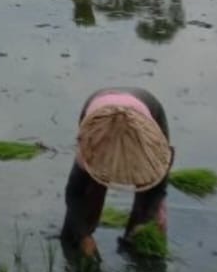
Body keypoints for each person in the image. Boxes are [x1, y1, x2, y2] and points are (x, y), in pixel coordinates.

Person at [59, 87, 176, 259]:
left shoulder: (150, 136)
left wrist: (148, 217)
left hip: (148, 111)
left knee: (149, 187)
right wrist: (83, 233)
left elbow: (159, 179)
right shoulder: (94, 137)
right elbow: (75, 191)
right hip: (98, 110)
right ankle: (79, 237)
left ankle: (138, 232)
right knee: (91, 182)